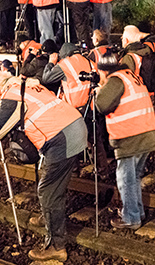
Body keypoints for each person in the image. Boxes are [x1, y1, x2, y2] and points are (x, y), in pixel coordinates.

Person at [0, 72, 86, 262]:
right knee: (50, 180)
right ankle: (47, 217)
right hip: (75, 125)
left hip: (62, 138)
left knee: (48, 190)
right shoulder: (30, 86)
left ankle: (56, 246)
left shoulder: (11, 95)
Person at [95, 52, 155, 229]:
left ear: (104, 70)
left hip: (130, 137)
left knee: (125, 178)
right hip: (146, 133)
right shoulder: (130, 76)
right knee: (134, 177)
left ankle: (131, 218)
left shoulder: (115, 80)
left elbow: (101, 104)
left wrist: (99, 90)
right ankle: (137, 212)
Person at [42, 43, 109, 175]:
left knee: (71, 140)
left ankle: (73, 169)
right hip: (90, 107)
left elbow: (46, 78)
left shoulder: (65, 64)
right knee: (94, 140)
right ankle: (103, 171)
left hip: (74, 109)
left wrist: (51, 62)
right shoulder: (89, 62)